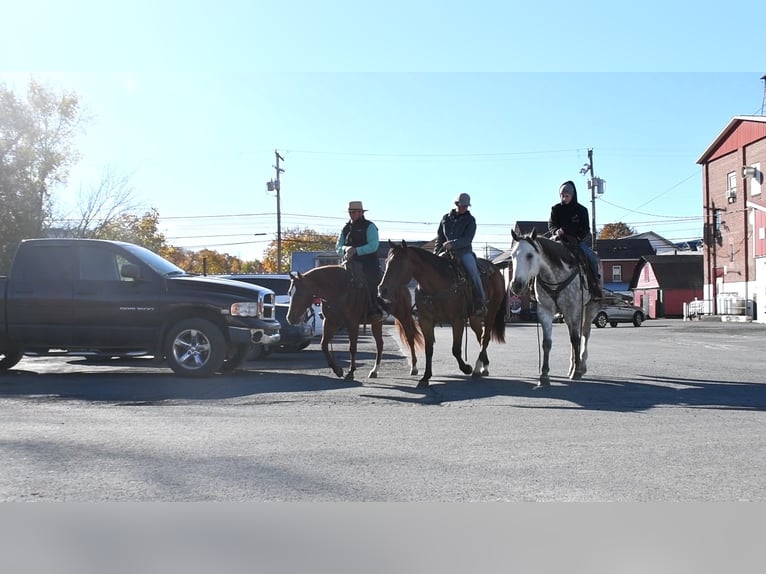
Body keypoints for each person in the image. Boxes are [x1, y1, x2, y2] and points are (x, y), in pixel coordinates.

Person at [434, 192, 488, 316]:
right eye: (462, 205)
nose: (464, 208)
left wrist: (453, 243)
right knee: (431, 269)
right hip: (445, 252)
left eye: (466, 206)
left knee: (473, 271)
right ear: (456, 204)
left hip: (464, 252)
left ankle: (481, 300)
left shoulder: (470, 220)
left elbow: (467, 239)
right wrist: (436, 253)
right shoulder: (445, 218)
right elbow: (440, 238)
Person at [548, 180, 603, 300]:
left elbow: (586, 229)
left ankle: (596, 286)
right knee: (542, 254)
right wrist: (555, 231)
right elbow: (551, 224)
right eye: (562, 196)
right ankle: (533, 287)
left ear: (572, 196)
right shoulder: (555, 209)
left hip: (576, 242)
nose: (564, 198)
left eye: (566, 196)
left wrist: (578, 237)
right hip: (558, 240)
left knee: (592, 258)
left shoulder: (581, 210)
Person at [336, 200, 388, 322]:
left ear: (360, 212)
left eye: (354, 212)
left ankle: (376, 308)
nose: (351, 214)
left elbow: (373, 245)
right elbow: (338, 247)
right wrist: (346, 248)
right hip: (348, 263)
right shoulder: (345, 228)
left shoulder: (370, 226)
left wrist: (356, 250)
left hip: (367, 263)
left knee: (373, 280)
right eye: (350, 212)